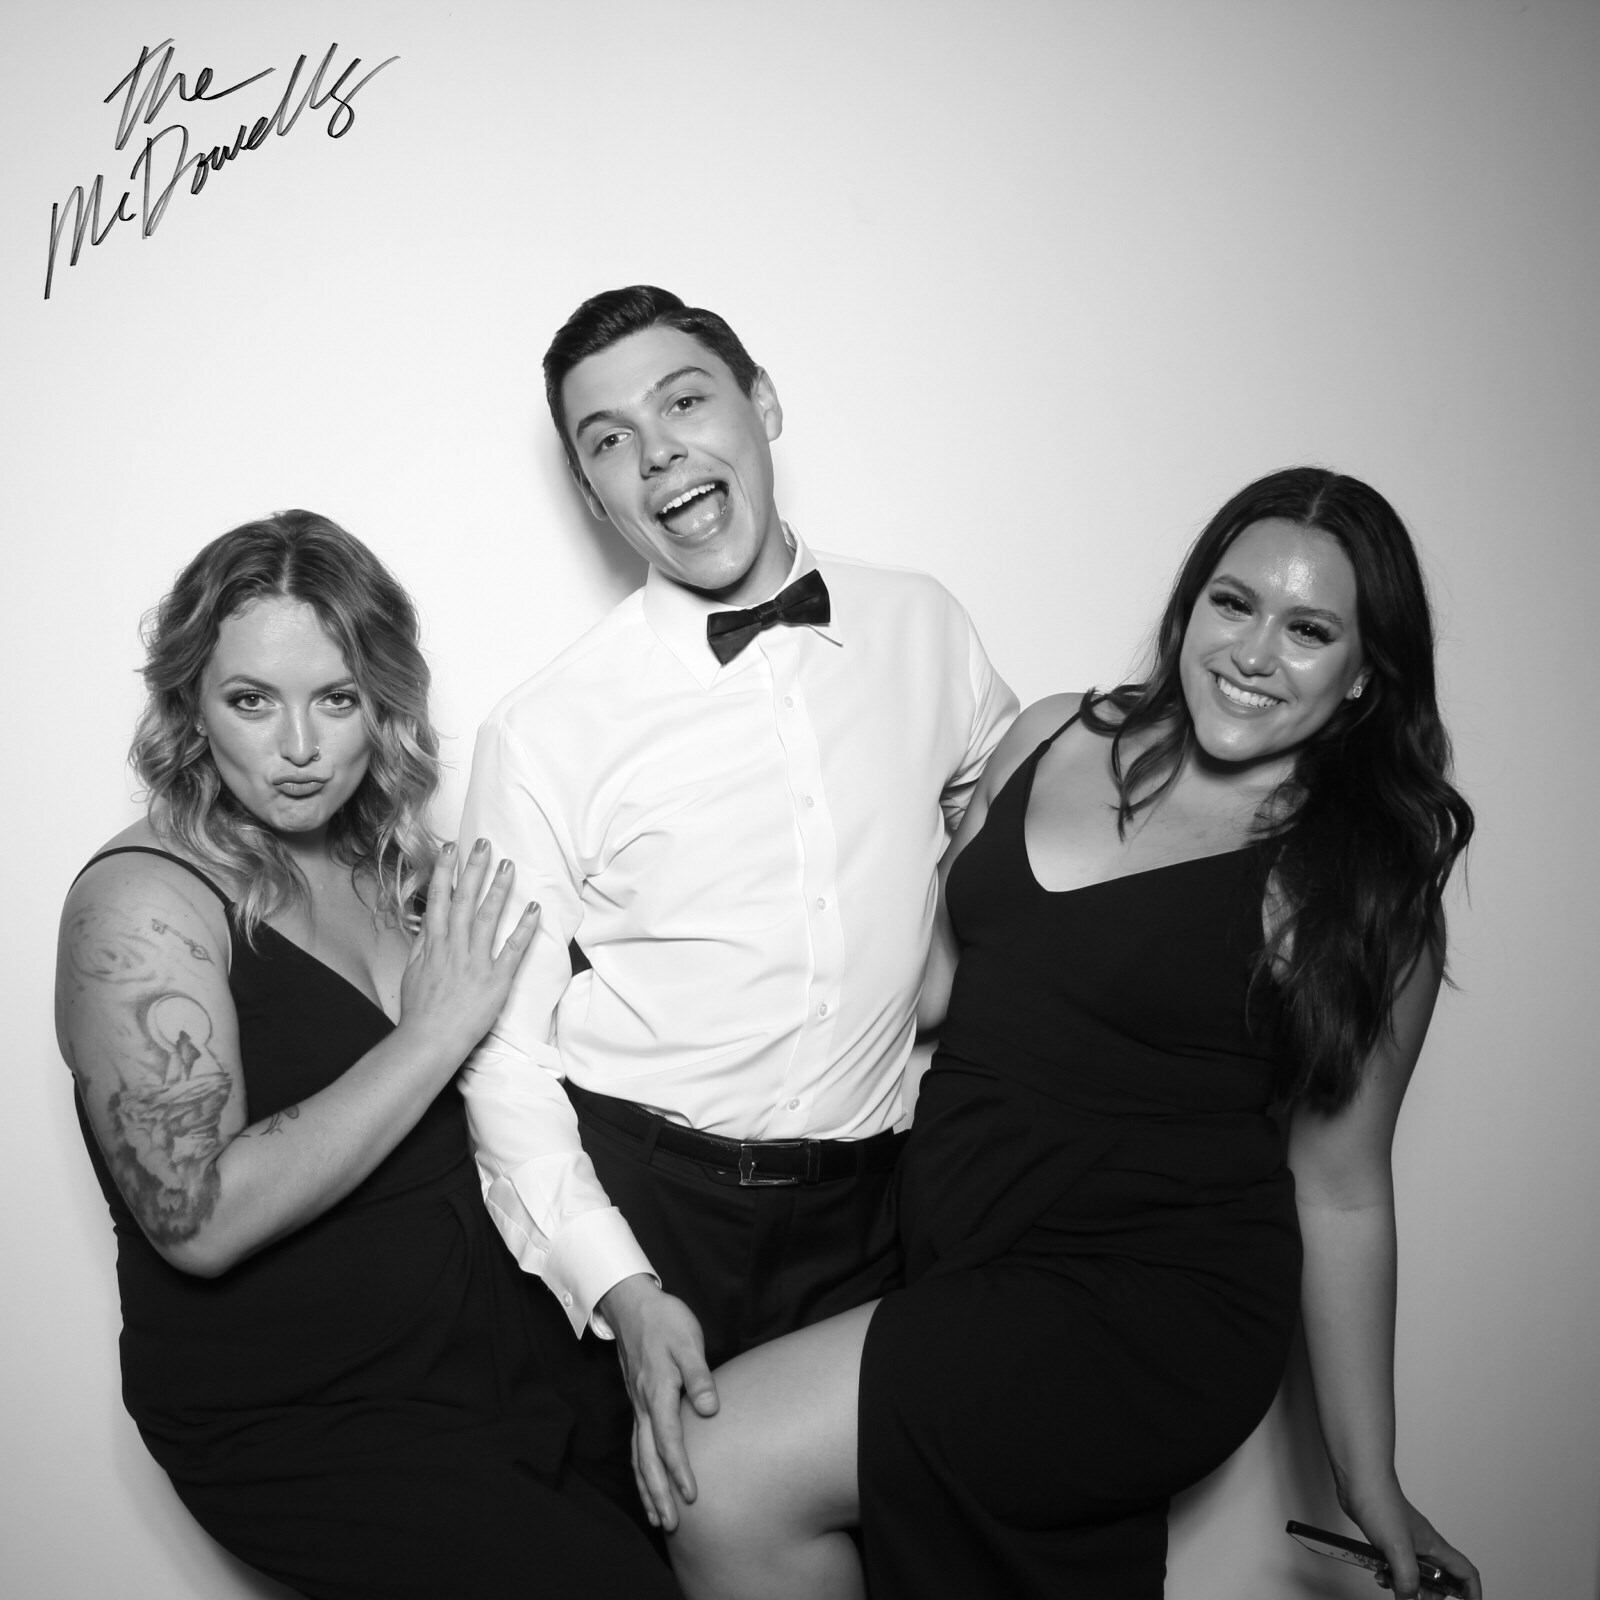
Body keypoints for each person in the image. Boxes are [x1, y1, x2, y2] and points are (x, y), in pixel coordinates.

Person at [667, 467, 1484, 1600]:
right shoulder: (1054, 731)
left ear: (1362, 676)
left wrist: (1367, 1474)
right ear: (1191, 605)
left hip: (1149, 1306)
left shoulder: (1361, 891)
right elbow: (929, 985)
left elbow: (1342, 1190)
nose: (1253, 652)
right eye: (1234, 602)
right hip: (957, 1257)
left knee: (714, 1474)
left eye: (1309, 630)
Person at [456, 285, 1017, 1527]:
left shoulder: (922, 624)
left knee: (904, 1547)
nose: (657, 451)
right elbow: (502, 1058)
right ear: (593, 496)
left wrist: (944, 959)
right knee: (653, 1548)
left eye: (685, 401)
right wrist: (620, 1287)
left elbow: (1014, 804)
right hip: (650, 1208)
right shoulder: (544, 727)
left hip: (880, 1207)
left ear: (762, 406)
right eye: (609, 440)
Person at [55, 512, 679, 1600]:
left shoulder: (395, 862)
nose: (299, 746)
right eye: (252, 700)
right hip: (314, 1414)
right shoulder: (142, 904)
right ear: (191, 707)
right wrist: (434, 1031)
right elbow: (197, 1221)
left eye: (336, 698)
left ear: (380, 702)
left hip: (507, 1360)